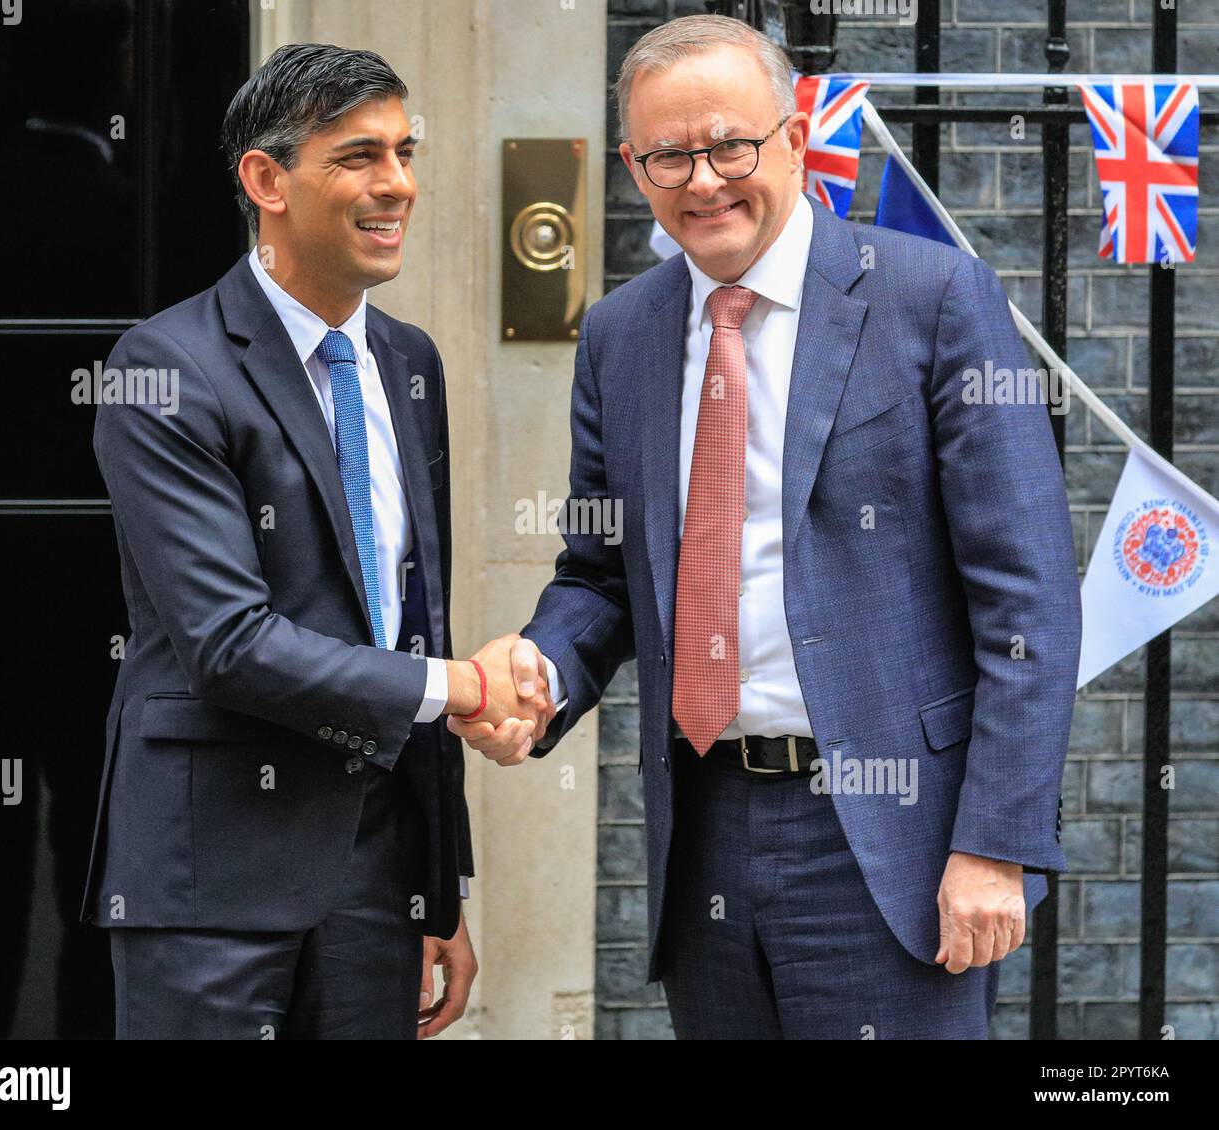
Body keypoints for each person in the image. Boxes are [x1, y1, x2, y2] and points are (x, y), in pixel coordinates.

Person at [452, 14, 1079, 1039]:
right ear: (632, 165)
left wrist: (995, 842)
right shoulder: (620, 335)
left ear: (794, 138)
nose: (702, 181)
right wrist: (540, 668)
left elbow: (1031, 596)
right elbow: (600, 572)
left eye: (730, 145)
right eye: (669, 155)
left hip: (893, 842)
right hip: (705, 832)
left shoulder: (932, 297)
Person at [80, 43, 553, 1040]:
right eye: (358, 157)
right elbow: (229, 642)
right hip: (210, 877)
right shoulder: (162, 367)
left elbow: (412, 615)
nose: (397, 185)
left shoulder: (407, 362)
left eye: (404, 152)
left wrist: (438, 884)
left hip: (375, 880)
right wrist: (464, 686)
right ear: (266, 180)